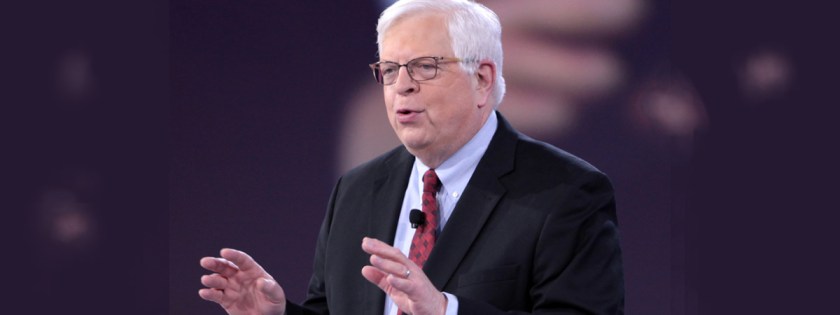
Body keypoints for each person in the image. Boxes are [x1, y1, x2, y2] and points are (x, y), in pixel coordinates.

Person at [199, 0, 624, 314]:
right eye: (388, 70)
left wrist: (445, 311)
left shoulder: (567, 192)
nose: (401, 86)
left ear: (481, 79)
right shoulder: (357, 188)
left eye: (424, 67)